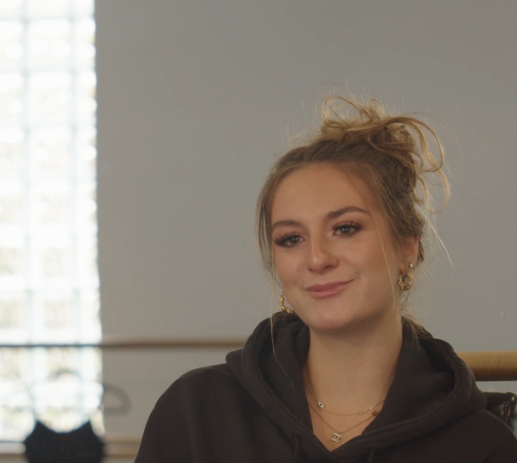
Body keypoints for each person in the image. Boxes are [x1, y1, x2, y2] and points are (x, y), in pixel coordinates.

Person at [134, 96, 517, 462]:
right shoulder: (196, 413)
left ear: (406, 247)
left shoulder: (481, 445)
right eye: (291, 239)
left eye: (346, 228)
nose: (316, 258)